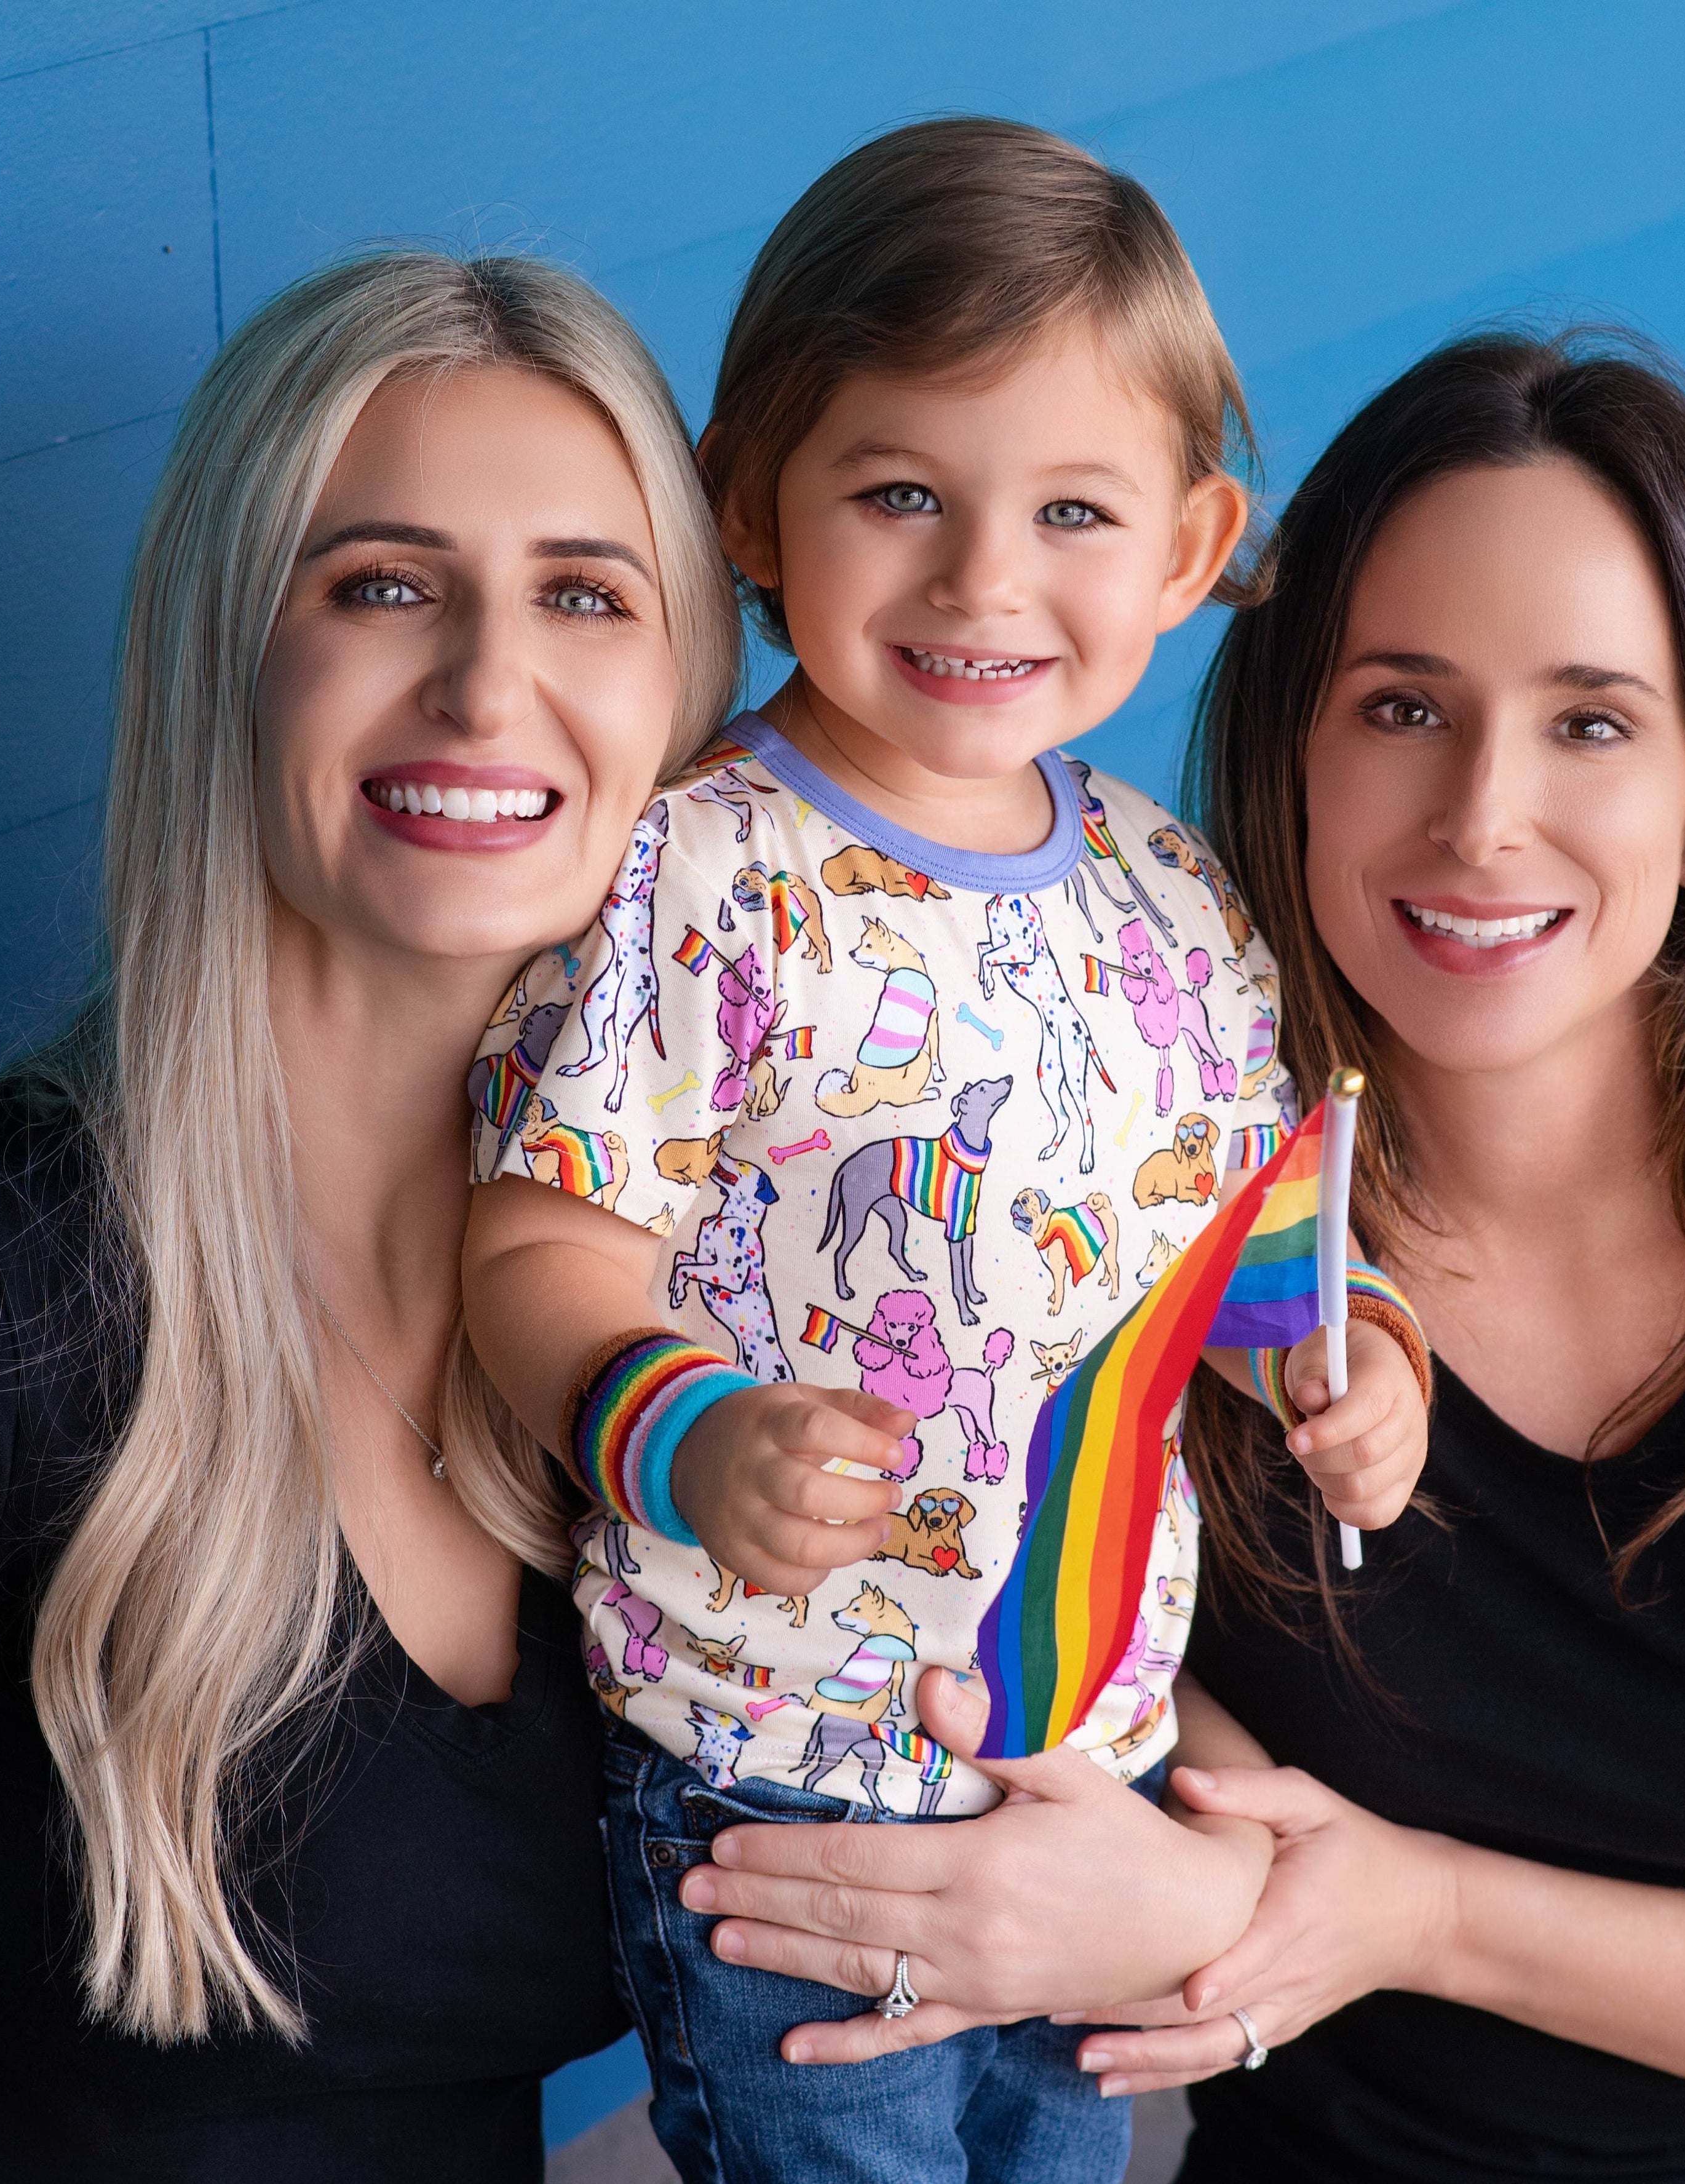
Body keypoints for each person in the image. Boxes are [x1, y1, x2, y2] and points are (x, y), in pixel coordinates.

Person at [667, 330, 1685, 2181]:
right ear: (1293, 745)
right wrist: (1187, 1845)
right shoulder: (1142, 1158)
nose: (1480, 818)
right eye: (1400, 705)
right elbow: (1055, 1601)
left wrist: (1421, 1913)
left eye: (1593, 722)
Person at [460, 119, 1433, 2184]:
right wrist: (695, 1431)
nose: (985, 580)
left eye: (1074, 511)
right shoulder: (700, 871)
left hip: (1083, 1760)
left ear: (1186, 549)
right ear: (752, 502)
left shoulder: (1175, 897)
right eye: (901, 491)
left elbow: (1238, 1241)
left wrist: (1352, 1362)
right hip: (775, 1771)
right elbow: (543, 1245)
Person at [0, 249, 739, 2182]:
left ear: (686, 692)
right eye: (383, 586)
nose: (491, 684)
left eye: (586, 594)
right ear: (227, 651)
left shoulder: (711, 1314)